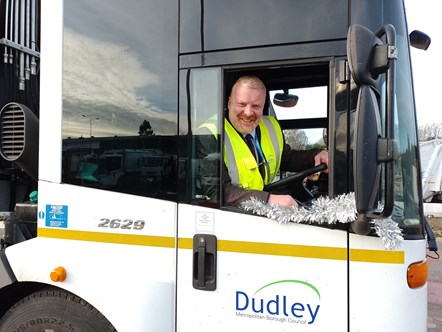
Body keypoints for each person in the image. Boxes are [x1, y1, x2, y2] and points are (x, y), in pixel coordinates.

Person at [197, 75, 328, 207]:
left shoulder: (270, 126)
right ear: (229, 103)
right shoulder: (210, 134)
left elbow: (285, 158)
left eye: (256, 106)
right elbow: (215, 192)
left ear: (263, 106)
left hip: (259, 212)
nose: (248, 113)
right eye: (242, 104)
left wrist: (315, 156)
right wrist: (268, 199)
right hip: (231, 215)